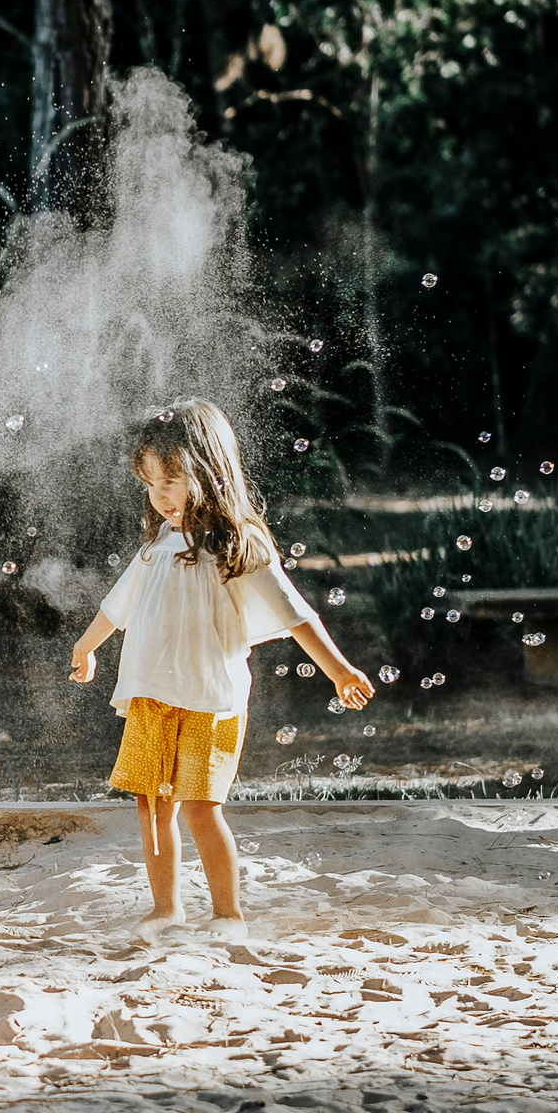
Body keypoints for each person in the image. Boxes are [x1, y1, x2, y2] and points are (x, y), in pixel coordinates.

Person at [69, 399, 375, 941]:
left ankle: (227, 914)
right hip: (150, 695)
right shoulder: (158, 545)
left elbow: (295, 615)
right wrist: (87, 647)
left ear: (208, 471)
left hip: (210, 699)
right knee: (152, 807)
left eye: (172, 479)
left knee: (200, 808)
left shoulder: (238, 544)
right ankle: (166, 909)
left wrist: (340, 670)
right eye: (149, 483)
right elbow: (116, 608)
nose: (160, 495)